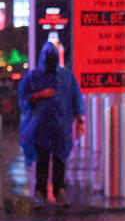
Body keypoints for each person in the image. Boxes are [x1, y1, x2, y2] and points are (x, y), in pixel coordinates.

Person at [18, 42, 85, 208]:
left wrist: (79, 121)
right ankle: (40, 193)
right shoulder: (33, 77)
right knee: (42, 160)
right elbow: (23, 98)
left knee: (60, 160)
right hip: (41, 128)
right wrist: (41, 94)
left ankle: (59, 191)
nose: (51, 61)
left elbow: (76, 98)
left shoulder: (66, 76)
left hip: (61, 127)